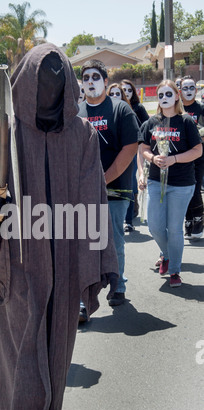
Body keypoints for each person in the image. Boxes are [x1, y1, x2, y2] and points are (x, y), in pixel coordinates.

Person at [0, 43, 118, 410]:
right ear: (27, 83)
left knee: (55, 363)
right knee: (24, 371)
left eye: (57, 78)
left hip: (65, 269)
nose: (50, 86)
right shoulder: (5, 134)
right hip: (19, 271)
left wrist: (101, 262)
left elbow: (94, 197)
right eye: (42, 78)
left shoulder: (82, 135)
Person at [78, 60, 140, 306]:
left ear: (105, 81)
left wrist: (103, 179)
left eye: (95, 77)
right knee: (84, 242)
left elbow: (130, 148)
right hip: (82, 192)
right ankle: (85, 295)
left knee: (113, 239)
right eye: (86, 78)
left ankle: (118, 285)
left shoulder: (120, 110)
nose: (90, 82)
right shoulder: (75, 112)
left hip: (115, 188)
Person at [139, 79, 202, 287]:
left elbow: (197, 150)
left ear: (177, 96)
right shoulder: (151, 122)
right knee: (155, 226)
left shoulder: (186, 122)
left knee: (174, 228)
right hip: (157, 181)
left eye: (168, 94)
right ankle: (166, 254)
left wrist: (174, 159)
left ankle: (175, 270)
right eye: (160, 95)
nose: (164, 98)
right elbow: (143, 148)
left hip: (182, 184)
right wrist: (152, 158)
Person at [121, 79, 149, 231]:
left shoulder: (138, 108)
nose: (126, 93)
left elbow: (147, 126)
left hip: (135, 149)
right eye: (123, 90)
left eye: (129, 90)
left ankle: (129, 217)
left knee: (131, 181)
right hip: (117, 150)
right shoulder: (114, 107)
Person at [180, 75, 204, 240]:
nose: (188, 91)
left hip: (198, 156)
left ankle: (198, 220)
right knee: (183, 190)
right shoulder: (177, 109)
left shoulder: (201, 109)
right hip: (180, 157)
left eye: (191, 88)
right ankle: (188, 220)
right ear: (179, 91)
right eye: (185, 88)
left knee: (195, 189)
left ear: (196, 90)